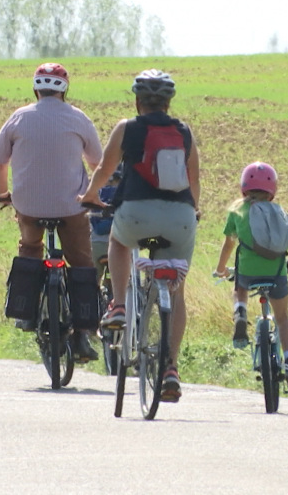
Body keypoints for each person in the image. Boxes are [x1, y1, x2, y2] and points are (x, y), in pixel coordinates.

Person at [80, 69, 200, 402]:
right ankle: (171, 367)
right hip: (180, 218)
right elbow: (194, 180)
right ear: (168, 102)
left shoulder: (126, 128)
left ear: (137, 101)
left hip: (135, 214)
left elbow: (105, 169)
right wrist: (193, 210)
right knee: (176, 293)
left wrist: (90, 196)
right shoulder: (184, 132)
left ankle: (118, 306)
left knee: (118, 243)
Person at [0, 62, 103, 362]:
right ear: (65, 90)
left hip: (27, 205)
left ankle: (26, 314)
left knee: (30, 247)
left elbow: (0, 163)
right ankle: (82, 335)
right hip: (71, 206)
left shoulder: (19, 117)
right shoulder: (78, 118)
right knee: (80, 261)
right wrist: (95, 195)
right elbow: (97, 164)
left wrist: (3, 195)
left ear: (36, 88)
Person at [213, 161, 288, 395]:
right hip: (276, 275)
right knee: (283, 318)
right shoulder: (279, 213)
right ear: (272, 189)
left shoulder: (237, 211)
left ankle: (241, 313)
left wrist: (221, 269)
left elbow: (229, 244)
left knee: (239, 287)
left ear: (244, 187)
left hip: (247, 273)